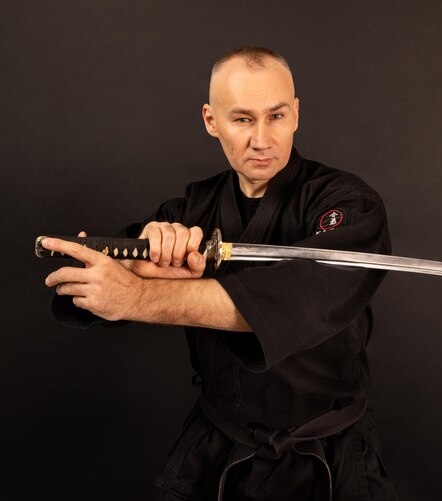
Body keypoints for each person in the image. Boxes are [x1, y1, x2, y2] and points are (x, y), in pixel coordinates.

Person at [43, 47, 398, 500]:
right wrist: (135, 266)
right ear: (212, 121)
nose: (263, 139)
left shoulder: (348, 205)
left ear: (296, 115)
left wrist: (139, 297)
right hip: (220, 448)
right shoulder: (191, 211)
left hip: (331, 456)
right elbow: (81, 287)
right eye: (243, 120)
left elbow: (302, 297)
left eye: (276, 116)